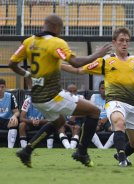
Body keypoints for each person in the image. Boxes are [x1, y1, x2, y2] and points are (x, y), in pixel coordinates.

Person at [9, 14, 112, 168]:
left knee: (60, 121)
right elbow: (76, 62)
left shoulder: (29, 41)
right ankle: (82, 152)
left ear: (44, 25)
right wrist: (98, 54)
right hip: (53, 96)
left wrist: (28, 74)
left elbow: (12, 64)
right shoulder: (57, 43)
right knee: (94, 111)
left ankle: (27, 150)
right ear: (57, 28)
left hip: (37, 98)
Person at [61, 27, 134, 167]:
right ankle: (122, 160)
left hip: (133, 104)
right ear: (114, 42)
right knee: (119, 122)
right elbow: (78, 70)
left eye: (127, 41)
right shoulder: (107, 60)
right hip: (115, 100)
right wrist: (59, 65)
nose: (124, 43)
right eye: (121, 40)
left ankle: (122, 154)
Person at [58, 84, 84, 149]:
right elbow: (57, 112)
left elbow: (86, 112)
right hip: (64, 121)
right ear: (66, 92)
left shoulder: (81, 98)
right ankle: (67, 146)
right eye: (70, 91)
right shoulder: (61, 98)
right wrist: (66, 123)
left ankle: (72, 147)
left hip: (77, 121)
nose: (72, 93)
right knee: (60, 128)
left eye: (74, 91)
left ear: (77, 91)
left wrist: (74, 116)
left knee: (77, 128)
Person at [90, 80, 113, 149]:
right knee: (89, 129)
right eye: (102, 88)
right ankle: (100, 147)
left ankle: (105, 148)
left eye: (106, 88)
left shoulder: (111, 98)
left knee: (118, 129)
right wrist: (97, 120)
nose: (104, 90)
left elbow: (113, 111)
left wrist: (105, 119)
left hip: (108, 120)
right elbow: (91, 110)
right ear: (99, 89)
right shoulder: (94, 97)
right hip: (96, 119)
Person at [0, 78, 20, 148]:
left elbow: (17, 112)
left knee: (14, 122)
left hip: (7, 120)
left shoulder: (11, 96)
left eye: (2, 87)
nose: (0, 89)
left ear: (5, 87)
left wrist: (14, 116)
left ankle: (10, 148)